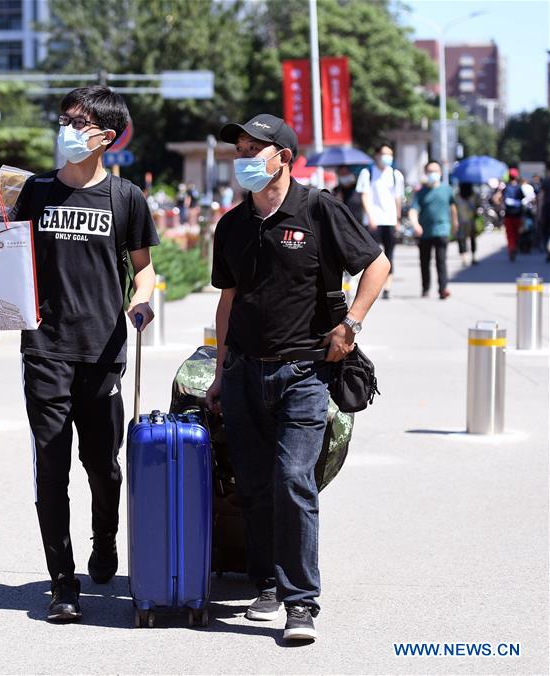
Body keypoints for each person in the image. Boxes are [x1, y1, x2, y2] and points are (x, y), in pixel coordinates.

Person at [0, 86, 159, 623]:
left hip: (102, 351)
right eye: (64, 120)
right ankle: (63, 581)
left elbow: (143, 270)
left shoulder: (126, 199)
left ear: (106, 136)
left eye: (79, 123)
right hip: (46, 349)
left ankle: (106, 541)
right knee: (52, 468)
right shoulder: (35, 191)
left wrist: (141, 303)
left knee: (102, 467)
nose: (68, 131)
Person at [205, 114, 389, 642]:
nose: (243, 157)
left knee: (292, 480)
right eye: (238, 148)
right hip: (243, 373)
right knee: (255, 487)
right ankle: (265, 582)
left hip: (304, 373)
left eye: (253, 149)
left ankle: (300, 601)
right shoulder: (232, 224)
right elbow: (228, 300)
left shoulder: (319, 210)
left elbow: (376, 265)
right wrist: (220, 372)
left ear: (283, 158)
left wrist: (351, 324)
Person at [355, 143, 404, 300]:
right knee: (372, 255)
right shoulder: (367, 172)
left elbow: (398, 198)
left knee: (389, 255)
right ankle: (371, 286)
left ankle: (387, 287)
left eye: (390, 154)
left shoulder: (396, 175)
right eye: (384, 154)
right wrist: (370, 216)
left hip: (389, 219)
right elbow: (364, 195)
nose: (387, 157)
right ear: (376, 155)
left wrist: (397, 218)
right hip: (373, 220)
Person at [409, 162, 457, 299]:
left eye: (435, 170)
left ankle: (443, 289)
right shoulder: (421, 192)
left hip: (442, 229)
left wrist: (455, 223)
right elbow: (413, 210)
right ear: (425, 173)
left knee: (441, 261)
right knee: (425, 261)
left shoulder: (447, 190)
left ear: (440, 173)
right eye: (429, 171)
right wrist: (415, 224)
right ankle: (426, 287)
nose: (432, 173)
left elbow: (452, 207)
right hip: (425, 232)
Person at [501, 169, 525, 261]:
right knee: (516, 233)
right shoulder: (519, 187)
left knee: (510, 233)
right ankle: (514, 247)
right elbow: (522, 200)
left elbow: (504, 200)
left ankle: (511, 247)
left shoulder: (506, 188)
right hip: (517, 215)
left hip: (509, 215)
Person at [455, 182, 478, 266]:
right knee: (472, 238)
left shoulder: (457, 195)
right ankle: (473, 257)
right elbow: (477, 206)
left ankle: (464, 258)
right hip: (471, 220)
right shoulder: (474, 195)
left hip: (460, 220)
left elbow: (454, 207)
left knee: (461, 239)